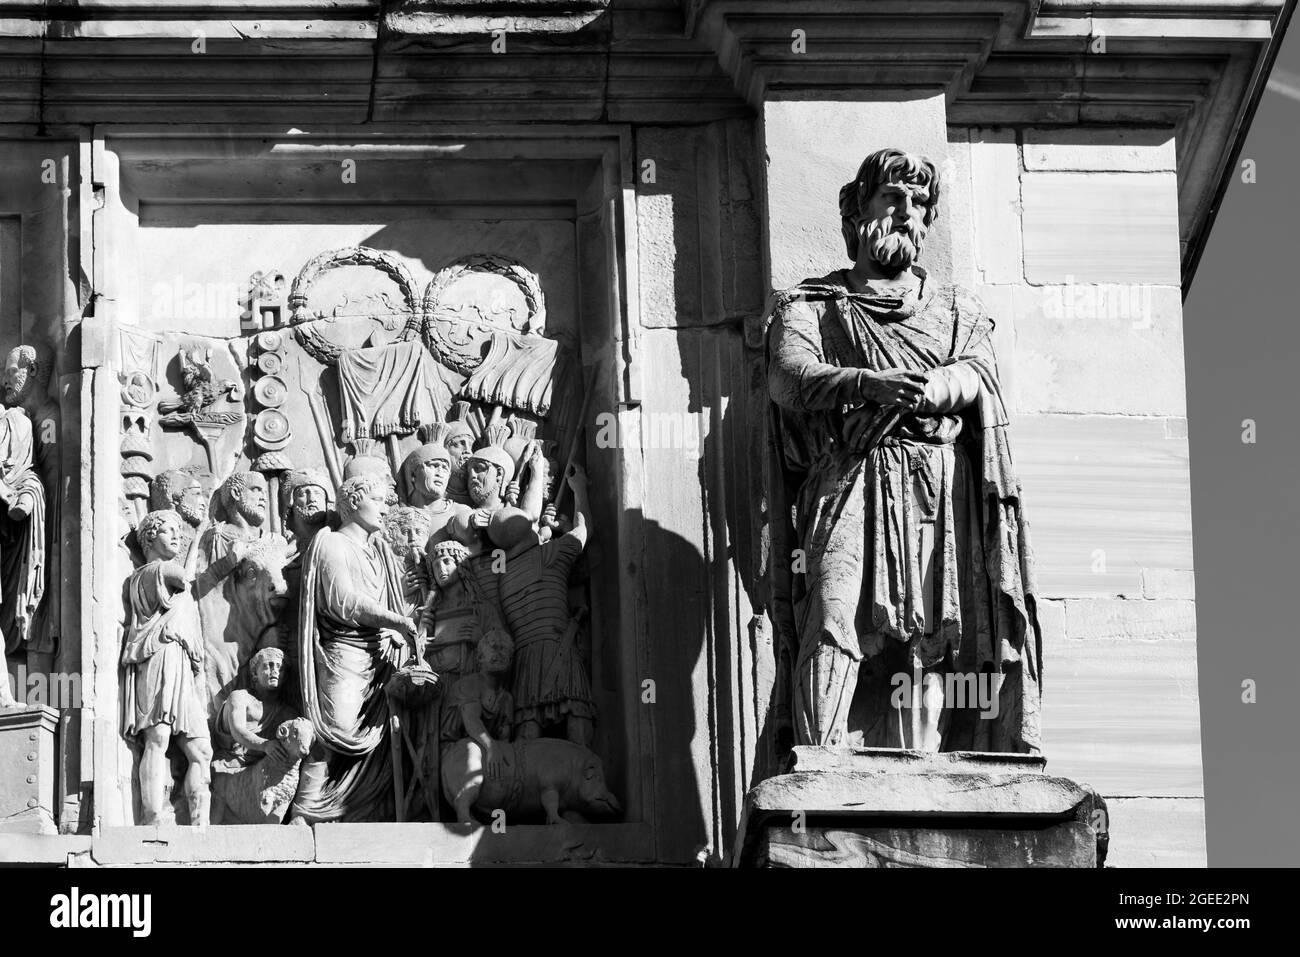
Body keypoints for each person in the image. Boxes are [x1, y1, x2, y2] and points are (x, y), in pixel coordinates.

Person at [764, 147, 1043, 754]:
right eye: (892, 197)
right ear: (857, 211)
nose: (906, 212)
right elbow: (788, 376)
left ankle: (926, 765)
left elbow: (978, 376)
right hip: (847, 479)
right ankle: (820, 760)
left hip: (937, 478)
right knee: (832, 612)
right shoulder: (811, 304)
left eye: (919, 203)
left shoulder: (956, 309)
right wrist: (866, 384)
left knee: (933, 636)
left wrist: (920, 392)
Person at [291, 472, 418, 823]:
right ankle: (303, 809)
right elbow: (344, 601)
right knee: (336, 728)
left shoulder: (379, 552)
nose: (384, 508)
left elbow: (389, 599)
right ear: (352, 502)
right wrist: (394, 620)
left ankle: (366, 813)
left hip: (381, 654)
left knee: (386, 736)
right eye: (377, 500)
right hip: (345, 652)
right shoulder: (332, 543)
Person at [121, 510, 212, 825]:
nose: (176, 536)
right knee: (157, 737)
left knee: (202, 750)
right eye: (168, 531)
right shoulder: (152, 572)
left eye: (178, 531)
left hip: (183, 662)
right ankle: (152, 815)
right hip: (160, 656)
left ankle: (200, 823)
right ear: (150, 537)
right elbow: (186, 577)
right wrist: (197, 537)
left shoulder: (168, 574)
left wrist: (196, 539)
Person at [0, 354, 46, 691]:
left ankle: (12, 691)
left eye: (10, 372)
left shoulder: (19, 420)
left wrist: (25, 492)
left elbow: (23, 473)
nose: (5, 381)